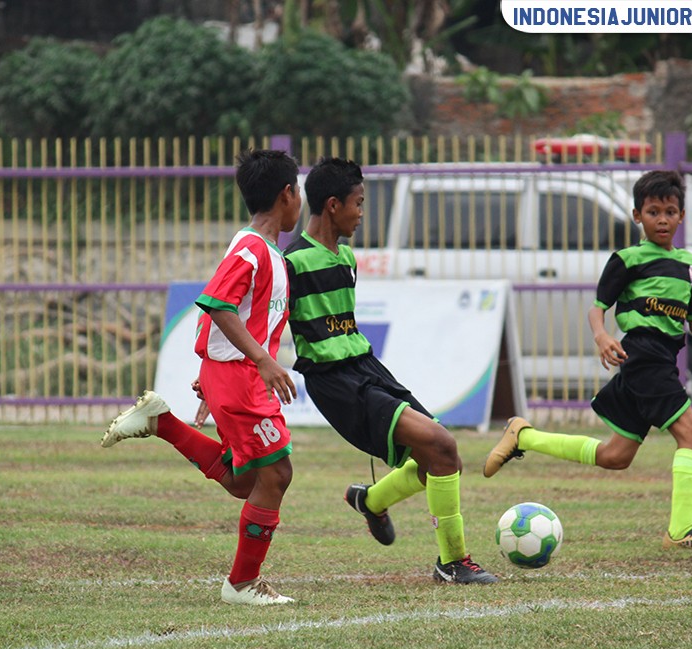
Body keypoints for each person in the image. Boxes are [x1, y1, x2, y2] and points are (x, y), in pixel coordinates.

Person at [484, 169, 692, 551]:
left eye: (669, 211)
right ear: (637, 216)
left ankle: (525, 435)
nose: (662, 219)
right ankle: (680, 533)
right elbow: (597, 309)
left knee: (615, 456)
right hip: (643, 356)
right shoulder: (627, 259)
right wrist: (602, 337)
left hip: (663, 360)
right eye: (653, 211)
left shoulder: (688, 266)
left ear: (681, 216)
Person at [282, 157, 497, 584]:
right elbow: (266, 322)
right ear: (332, 205)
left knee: (440, 457)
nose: (362, 214)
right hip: (335, 381)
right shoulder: (293, 264)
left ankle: (371, 500)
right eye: (358, 204)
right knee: (443, 446)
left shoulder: (345, 257)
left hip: (366, 368)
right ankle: (451, 562)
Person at [101, 148, 302, 605]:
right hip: (242, 378)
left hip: (230, 375)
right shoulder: (252, 248)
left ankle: (161, 423)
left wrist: (210, 372)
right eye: (299, 193)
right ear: (287, 194)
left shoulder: (260, 249)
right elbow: (216, 302)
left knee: (243, 481)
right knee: (276, 474)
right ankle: (242, 584)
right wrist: (257, 364)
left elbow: (226, 315)